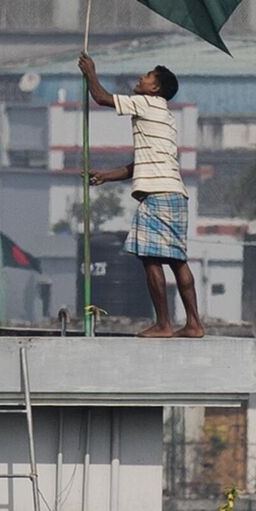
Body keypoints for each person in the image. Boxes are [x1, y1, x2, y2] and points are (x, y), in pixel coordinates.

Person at [78, 52, 204, 338]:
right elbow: (141, 165)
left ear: (155, 88)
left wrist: (90, 72)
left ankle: (163, 324)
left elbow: (101, 98)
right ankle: (194, 323)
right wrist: (106, 176)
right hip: (175, 194)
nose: (141, 79)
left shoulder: (146, 103)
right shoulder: (167, 118)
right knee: (177, 260)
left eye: (147, 76)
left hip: (157, 196)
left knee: (151, 258)